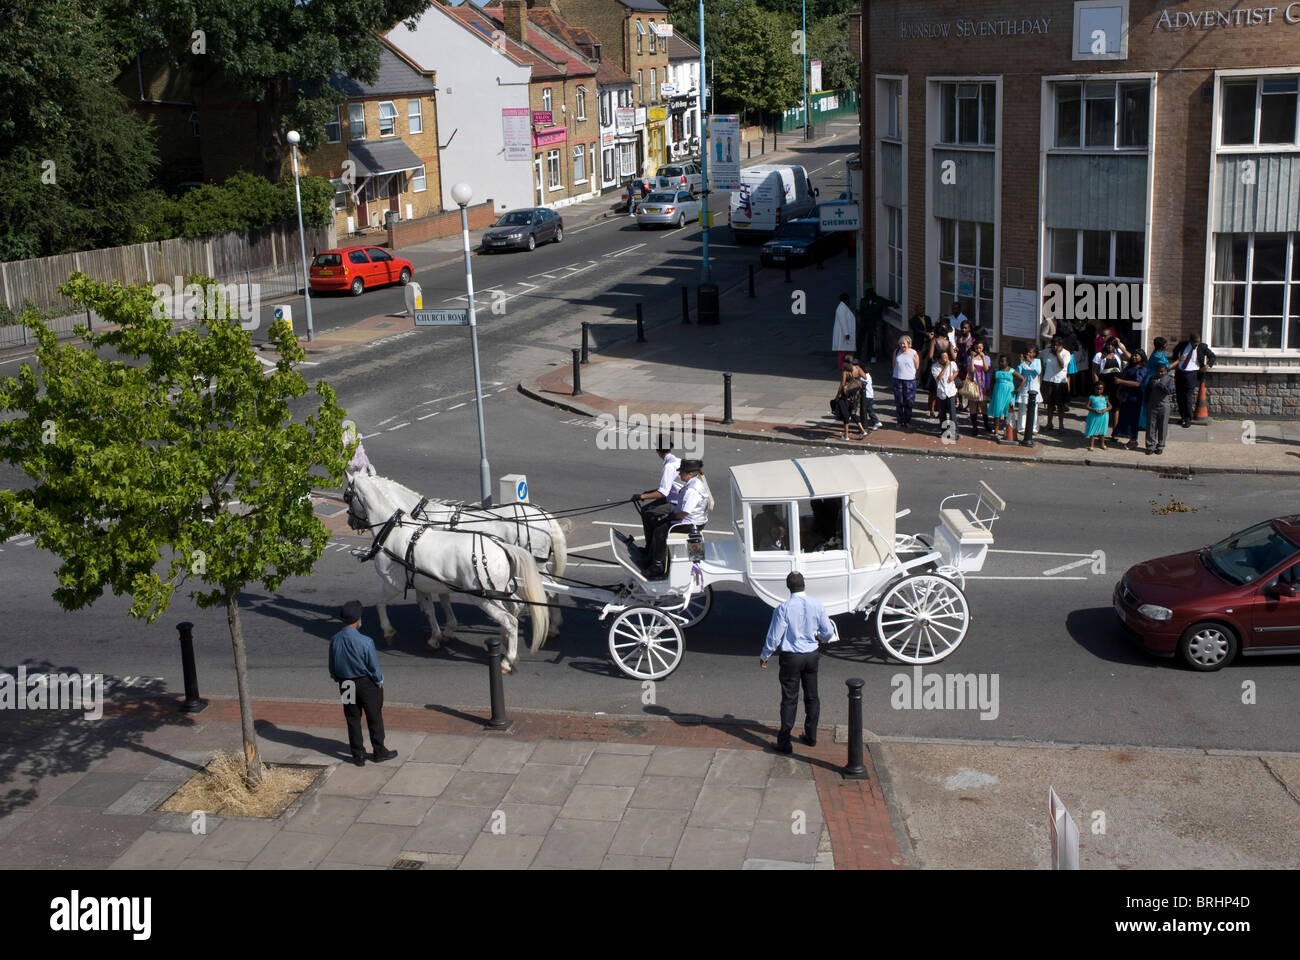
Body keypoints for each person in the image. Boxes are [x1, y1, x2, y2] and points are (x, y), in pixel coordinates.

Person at [760, 572, 833, 754]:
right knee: (812, 696)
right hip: (811, 655)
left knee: (789, 699)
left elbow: (774, 637)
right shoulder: (816, 604)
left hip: (791, 658)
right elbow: (828, 632)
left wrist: (765, 655)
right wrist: (820, 638)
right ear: (804, 585)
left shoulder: (783, 609)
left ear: (788, 586)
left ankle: (785, 742)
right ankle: (811, 735)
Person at [329, 601, 396, 767]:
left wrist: (337, 678)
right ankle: (379, 751)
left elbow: (332, 665)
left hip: (346, 684)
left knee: (352, 717)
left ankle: (357, 754)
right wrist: (379, 680)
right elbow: (373, 666)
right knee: (374, 717)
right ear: (357, 619)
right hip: (366, 683)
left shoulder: (335, 639)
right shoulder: (365, 641)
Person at [645, 459, 710, 579]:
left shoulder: (692, 490)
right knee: (659, 525)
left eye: (682, 473)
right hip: (692, 519)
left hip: (690, 523)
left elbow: (685, 513)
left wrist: (670, 517)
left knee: (659, 532)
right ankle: (652, 557)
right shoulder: (694, 482)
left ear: (689, 474)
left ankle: (657, 565)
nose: (679, 475)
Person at [630, 438, 681, 551]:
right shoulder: (677, 460)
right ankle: (651, 545)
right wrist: (648, 493)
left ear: (657, 451)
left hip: (676, 502)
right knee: (645, 510)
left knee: (648, 513)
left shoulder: (669, 467)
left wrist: (641, 496)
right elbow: (669, 487)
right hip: (673, 496)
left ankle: (650, 548)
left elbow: (663, 492)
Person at [1171, 332, 1216, 427]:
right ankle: (1183, 417)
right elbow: (1175, 351)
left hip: (1192, 373)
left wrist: (1207, 366)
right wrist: (1177, 360)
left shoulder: (1202, 347)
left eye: (1198, 342)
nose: (1197, 344)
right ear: (1190, 341)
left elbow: (1212, 356)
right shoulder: (1183, 344)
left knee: (1187, 396)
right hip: (1180, 372)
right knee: (1180, 396)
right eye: (1195, 342)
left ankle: (1188, 419)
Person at [1113, 349, 1149, 450]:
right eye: (1133, 355)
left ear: (1142, 357)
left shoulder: (1142, 369)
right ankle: (1130, 439)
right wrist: (1119, 390)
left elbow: (1137, 383)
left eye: (1136, 356)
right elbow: (1123, 378)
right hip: (1125, 396)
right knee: (1125, 418)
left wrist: (1120, 381)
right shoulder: (1130, 367)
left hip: (1135, 397)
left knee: (1133, 420)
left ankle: (1133, 440)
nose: (1134, 357)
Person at [1040, 335, 1071, 432]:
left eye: (1057, 345)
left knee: (1060, 405)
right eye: (1053, 345)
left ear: (1061, 346)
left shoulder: (1066, 353)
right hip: (1048, 380)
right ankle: (1049, 423)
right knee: (1050, 404)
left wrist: (1057, 354)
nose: (1054, 347)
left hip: (1060, 382)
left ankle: (1061, 425)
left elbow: (1062, 365)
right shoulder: (1046, 352)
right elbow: (1036, 354)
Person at [1144, 361, 1176, 455]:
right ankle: (1150, 446)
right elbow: (1148, 391)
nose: (1160, 373)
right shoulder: (1152, 378)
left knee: (1162, 427)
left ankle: (1160, 445)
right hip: (1152, 405)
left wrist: (1160, 384)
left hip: (1164, 405)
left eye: (1162, 371)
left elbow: (1169, 391)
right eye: (1158, 371)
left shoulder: (1169, 379)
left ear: (1166, 371)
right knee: (1151, 426)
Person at [987, 354, 1021, 443]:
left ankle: (1007, 430)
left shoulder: (1011, 370)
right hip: (998, 392)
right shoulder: (996, 371)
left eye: (1003, 361)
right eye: (1000, 361)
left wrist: (1018, 389)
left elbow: (1023, 379)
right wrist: (990, 391)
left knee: (1008, 412)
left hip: (1009, 392)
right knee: (997, 412)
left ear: (1008, 362)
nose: (1001, 363)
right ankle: (996, 432)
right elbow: (992, 382)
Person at [892, 334, 920, 431]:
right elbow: (894, 364)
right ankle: (900, 421)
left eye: (904, 344)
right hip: (897, 379)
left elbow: (917, 366)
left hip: (909, 380)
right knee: (899, 401)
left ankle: (907, 421)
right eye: (900, 344)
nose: (902, 346)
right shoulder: (896, 352)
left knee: (909, 401)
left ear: (908, 344)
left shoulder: (913, 353)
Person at [964, 339, 992, 435]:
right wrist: (972, 358)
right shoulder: (970, 357)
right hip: (973, 383)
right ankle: (975, 427)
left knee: (983, 405)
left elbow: (986, 369)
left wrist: (983, 358)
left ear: (983, 348)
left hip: (982, 384)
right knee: (973, 405)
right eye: (976, 347)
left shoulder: (987, 357)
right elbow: (970, 370)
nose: (978, 349)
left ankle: (986, 424)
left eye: (980, 347)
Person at [1015, 345, 1042, 438]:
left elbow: (1038, 372)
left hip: (1034, 388)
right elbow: (1019, 372)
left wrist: (1031, 362)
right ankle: (1022, 428)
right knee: (1022, 409)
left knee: (1034, 409)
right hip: (1025, 388)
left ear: (1034, 353)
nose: (1029, 354)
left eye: (1031, 352)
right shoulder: (1023, 363)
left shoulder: (1037, 361)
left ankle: (1034, 428)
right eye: (1027, 353)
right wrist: (1021, 362)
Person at [931, 346, 959, 437]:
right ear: (939, 359)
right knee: (942, 413)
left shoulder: (952, 364)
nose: (946, 360)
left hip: (951, 391)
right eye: (943, 359)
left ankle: (954, 432)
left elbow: (956, 371)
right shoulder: (935, 367)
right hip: (941, 392)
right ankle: (943, 431)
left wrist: (953, 376)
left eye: (947, 358)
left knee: (952, 412)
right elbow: (938, 378)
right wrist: (946, 367)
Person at [1084, 381, 1112, 451]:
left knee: (1103, 431)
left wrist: (1105, 410)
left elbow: (1110, 406)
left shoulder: (1105, 397)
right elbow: (1086, 406)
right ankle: (1091, 445)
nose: (1099, 390)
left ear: (1103, 389)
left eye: (1101, 389)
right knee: (1092, 430)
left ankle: (1102, 444)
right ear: (1094, 388)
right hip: (1094, 416)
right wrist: (1094, 410)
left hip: (1104, 416)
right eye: (1097, 389)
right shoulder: (1091, 397)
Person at [831, 292, 856, 371]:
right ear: (846, 300)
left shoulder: (843, 307)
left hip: (843, 333)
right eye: (849, 299)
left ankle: (844, 366)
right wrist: (846, 333)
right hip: (843, 334)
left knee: (844, 351)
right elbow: (843, 321)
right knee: (842, 351)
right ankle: (842, 366)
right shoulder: (841, 308)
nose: (850, 301)